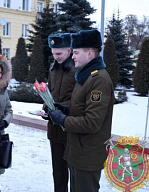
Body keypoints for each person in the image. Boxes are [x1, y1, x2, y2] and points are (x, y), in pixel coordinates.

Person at [46, 29, 114, 192]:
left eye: (75, 52)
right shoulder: (86, 76)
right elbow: (81, 108)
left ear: (90, 53)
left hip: (87, 155)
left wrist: (62, 120)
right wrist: (64, 109)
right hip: (77, 151)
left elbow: (91, 123)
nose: (73, 56)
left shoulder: (98, 80)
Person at [45, 33, 77, 192]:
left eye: (59, 53)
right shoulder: (53, 69)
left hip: (70, 128)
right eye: (53, 53)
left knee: (75, 172)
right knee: (58, 171)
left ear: (69, 51)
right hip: (54, 129)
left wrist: (60, 108)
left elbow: (80, 100)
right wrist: (46, 106)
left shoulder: (78, 70)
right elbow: (49, 92)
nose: (56, 57)